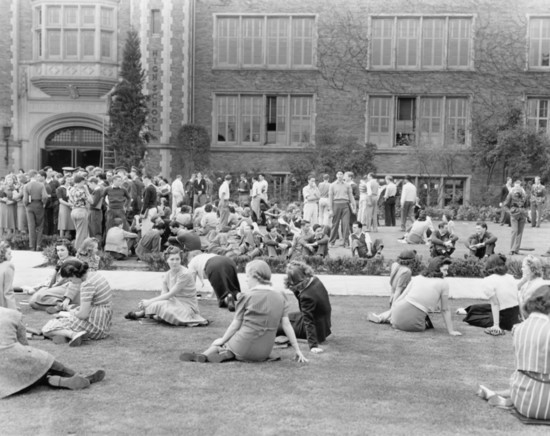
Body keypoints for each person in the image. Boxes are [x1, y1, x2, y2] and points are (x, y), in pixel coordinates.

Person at [179, 260, 307, 363]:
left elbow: (236, 324)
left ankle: (207, 354)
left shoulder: (246, 296)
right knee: (233, 343)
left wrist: (222, 339)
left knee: (220, 343)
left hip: (243, 346)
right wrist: (298, 350)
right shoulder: (281, 296)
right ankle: (226, 353)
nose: (246, 280)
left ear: (255, 276)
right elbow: (286, 325)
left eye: (247, 276)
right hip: (264, 351)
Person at [476, 285, 550, 419]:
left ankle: (503, 397)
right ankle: (503, 397)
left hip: (522, 399)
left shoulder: (518, 328)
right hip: (545, 406)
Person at [0, 307, 105, 397]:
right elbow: (24, 344)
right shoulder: (12, 314)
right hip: (17, 360)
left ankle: (51, 380)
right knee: (44, 361)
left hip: (7, 384)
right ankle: (75, 375)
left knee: (30, 374)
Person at [368, 257, 462, 336]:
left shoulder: (417, 278)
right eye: (445, 270)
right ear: (437, 269)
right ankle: (391, 318)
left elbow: (401, 298)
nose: (447, 273)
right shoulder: (443, 283)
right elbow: (445, 309)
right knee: (425, 322)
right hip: (414, 325)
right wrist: (451, 331)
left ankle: (383, 317)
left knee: (403, 305)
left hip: (397, 314)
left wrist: (393, 311)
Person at [124, 246, 209, 326]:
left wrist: (149, 302)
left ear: (180, 260)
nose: (175, 262)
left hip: (187, 306)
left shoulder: (185, 274)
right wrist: (150, 303)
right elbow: (164, 295)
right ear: (167, 260)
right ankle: (147, 314)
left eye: (177, 259)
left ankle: (149, 315)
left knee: (160, 306)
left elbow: (170, 294)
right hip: (173, 302)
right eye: (172, 259)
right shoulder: (167, 274)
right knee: (159, 304)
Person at [41, 259, 112, 347]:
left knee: (47, 328)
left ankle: (73, 335)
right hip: (104, 325)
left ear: (74, 275)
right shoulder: (95, 275)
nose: (71, 282)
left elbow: (83, 315)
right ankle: (69, 334)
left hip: (95, 326)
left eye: (70, 280)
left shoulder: (87, 284)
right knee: (62, 319)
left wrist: (72, 313)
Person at [278, 261, 332, 353]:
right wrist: (295, 289)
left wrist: (313, 345)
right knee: (284, 317)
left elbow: (308, 321)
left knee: (279, 325)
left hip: (315, 329)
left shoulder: (306, 296)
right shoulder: (315, 280)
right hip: (323, 325)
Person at [460, 254, 521, 334]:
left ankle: (469, 314)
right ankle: (466, 310)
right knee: (475, 307)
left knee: (472, 318)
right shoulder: (510, 277)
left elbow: (495, 304)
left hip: (504, 318)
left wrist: (496, 325)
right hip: (514, 313)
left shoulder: (488, 280)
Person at [27, 239, 79, 312]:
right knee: (33, 302)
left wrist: (68, 297)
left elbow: (72, 281)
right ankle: (62, 306)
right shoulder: (61, 261)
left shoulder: (72, 261)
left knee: (36, 298)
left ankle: (65, 306)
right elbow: (52, 280)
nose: (59, 253)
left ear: (69, 250)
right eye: (58, 250)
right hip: (59, 288)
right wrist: (40, 287)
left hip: (68, 288)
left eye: (62, 250)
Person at [328, 171, 356, 248]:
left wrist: (354, 206)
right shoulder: (332, 185)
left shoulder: (347, 185)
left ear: (343, 176)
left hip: (345, 205)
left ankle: (346, 242)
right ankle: (331, 242)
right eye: (338, 174)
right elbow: (330, 198)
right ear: (336, 175)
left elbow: (351, 196)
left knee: (346, 224)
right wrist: (330, 209)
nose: (340, 175)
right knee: (335, 224)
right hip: (336, 204)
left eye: (341, 174)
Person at [23, 170, 48, 251]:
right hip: (39, 204)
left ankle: (32, 246)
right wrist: (44, 204)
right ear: (35, 176)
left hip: (29, 206)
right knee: (40, 226)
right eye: (37, 175)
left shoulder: (26, 186)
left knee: (31, 226)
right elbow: (45, 196)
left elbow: (25, 199)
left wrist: (26, 205)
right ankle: (38, 245)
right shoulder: (41, 185)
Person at [503, 179, 529, 255]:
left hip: (522, 215)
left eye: (518, 187)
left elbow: (527, 205)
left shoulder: (525, 195)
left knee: (520, 233)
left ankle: (516, 250)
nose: (517, 189)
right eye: (515, 187)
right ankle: (511, 249)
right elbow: (505, 205)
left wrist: (526, 213)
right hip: (514, 214)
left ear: (521, 187)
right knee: (514, 231)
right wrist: (510, 212)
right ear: (513, 187)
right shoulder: (510, 194)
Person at [69, 175, 93, 251]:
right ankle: (78, 251)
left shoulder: (71, 189)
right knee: (81, 234)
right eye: (83, 182)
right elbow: (91, 201)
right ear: (80, 182)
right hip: (81, 211)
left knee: (78, 231)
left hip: (73, 211)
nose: (84, 184)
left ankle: (81, 249)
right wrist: (87, 191)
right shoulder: (82, 191)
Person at [517, 255, 545, 319]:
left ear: (531, 268)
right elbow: (512, 289)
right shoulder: (526, 284)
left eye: (523, 267)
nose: (522, 269)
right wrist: (523, 279)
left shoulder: (538, 284)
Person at [0, 241, 15, 309]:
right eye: (9, 254)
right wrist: (14, 313)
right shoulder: (8, 267)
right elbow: (8, 293)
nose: (11, 256)